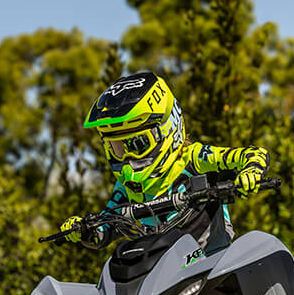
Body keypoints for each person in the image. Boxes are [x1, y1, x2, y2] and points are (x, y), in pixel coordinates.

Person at [61, 71, 270, 248]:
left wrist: (250, 172)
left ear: (168, 129)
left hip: (212, 264)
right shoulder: (126, 186)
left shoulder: (195, 158)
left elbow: (252, 154)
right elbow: (106, 226)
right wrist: (82, 228)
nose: (127, 157)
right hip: (156, 277)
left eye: (138, 144)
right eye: (116, 147)